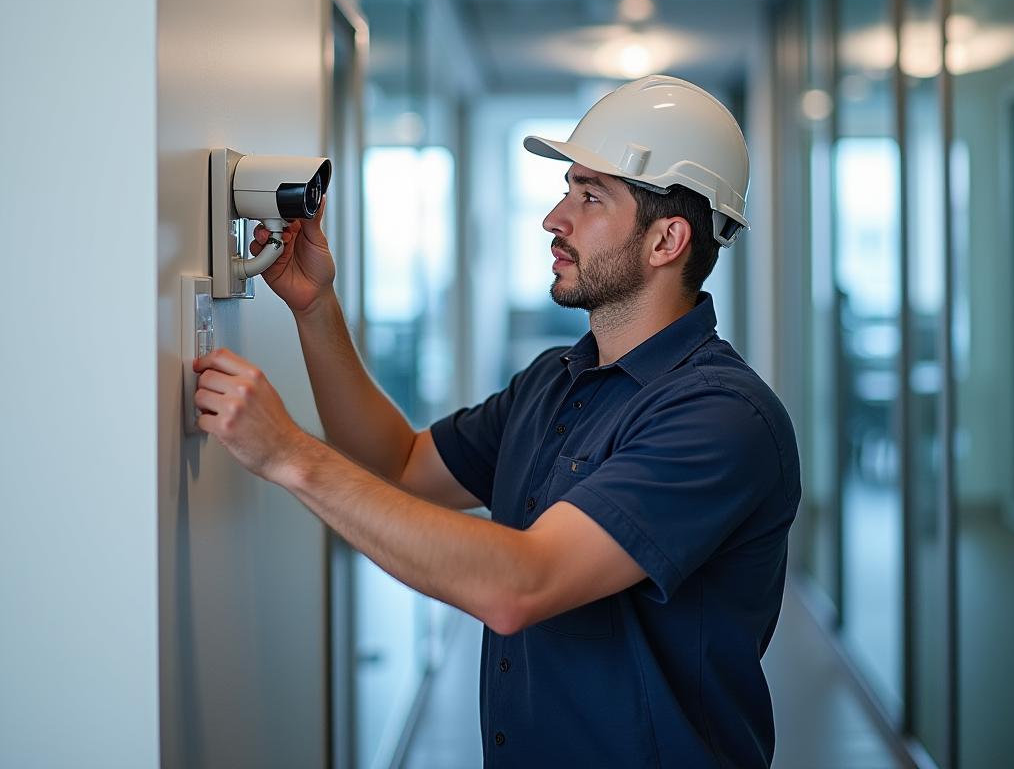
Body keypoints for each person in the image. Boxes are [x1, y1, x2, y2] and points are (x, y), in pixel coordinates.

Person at [193, 74, 801, 768]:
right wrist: (314, 308)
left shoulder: (723, 419)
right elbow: (399, 466)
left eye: (590, 197)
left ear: (667, 240)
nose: (553, 218)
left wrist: (290, 455)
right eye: (566, 189)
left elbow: (521, 585)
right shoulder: (554, 381)